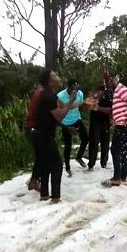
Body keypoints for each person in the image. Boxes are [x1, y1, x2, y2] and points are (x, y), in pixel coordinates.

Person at [32, 69, 76, 203]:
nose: (57, 76)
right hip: (44, 136)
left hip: (38, 134)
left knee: (45, 165)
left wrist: (66, 127)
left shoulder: (47, 94)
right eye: (54, 75)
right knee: (57, 165)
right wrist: (70, 103)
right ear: (50, 81)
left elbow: (51, 118)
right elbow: (59, 115)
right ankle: (55, 198)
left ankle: (45, 195)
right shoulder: (48, 96)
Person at [99, 71, 127, 187]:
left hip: (123, 125)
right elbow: (112, 110)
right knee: (123, 150)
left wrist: (126, 118)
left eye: (108, 80)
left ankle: (117, 178)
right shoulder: (117, 92)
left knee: (115, 150)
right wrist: (98, 108)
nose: (107, 84)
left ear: (113, 79)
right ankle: (122, 176)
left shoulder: (120, 88)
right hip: (126, 124)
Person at [57, 79, 88, 176]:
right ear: (68, 87)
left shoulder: (80, 93)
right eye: (73, 88)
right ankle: (67, 167)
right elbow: (66, 107)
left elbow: (81, 107)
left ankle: (79, 157)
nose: (75, 90)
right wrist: (77, 102)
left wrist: (87, 104)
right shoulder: (60, 96)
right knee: (68, 145)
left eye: (76, 88)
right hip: (65, 122)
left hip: (77, 119)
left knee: (85, 138)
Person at [86, 82, 112, 171]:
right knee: (94, 143)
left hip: (105, 122)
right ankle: (91, 165)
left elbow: (111, 110)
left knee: (105, 143)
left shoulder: (110, 95)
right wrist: (95, 98)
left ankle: (103, 163)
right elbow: (88, 104)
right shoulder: (94, 95)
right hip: (95, 122)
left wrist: (98, 108)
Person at [24, 84, 43, 192]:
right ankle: (34, 181)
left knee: (41, 157)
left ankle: (34, 180)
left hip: (35, 129)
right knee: (45, 158)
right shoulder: (42, 94)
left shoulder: (39, 93)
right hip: (39, 129)